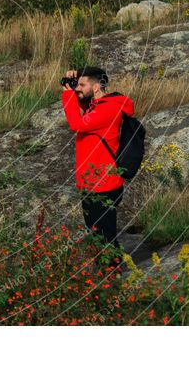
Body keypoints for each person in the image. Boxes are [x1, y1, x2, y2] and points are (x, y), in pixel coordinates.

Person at [61, 66, 135, 272]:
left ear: (96, 86)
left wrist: (68, 95)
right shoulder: (97, 105)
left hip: (104, 185)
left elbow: (77, 124)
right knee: (96, 234)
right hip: (90, 184)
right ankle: (107, 274)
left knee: (105, 235)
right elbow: (83, 108)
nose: (78, 89)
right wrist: (72, 86)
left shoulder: (110, 108)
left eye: (82, 85)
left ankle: (114, 277)